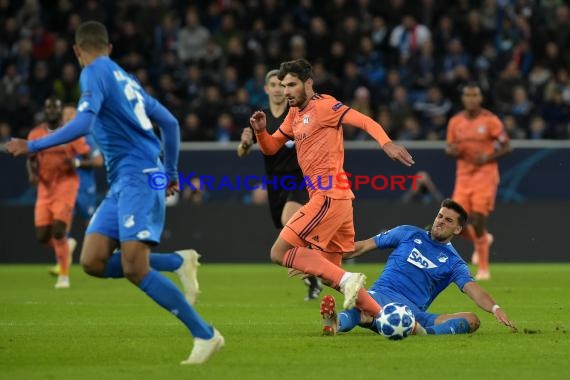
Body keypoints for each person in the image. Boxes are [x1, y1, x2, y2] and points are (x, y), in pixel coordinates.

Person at [5, 21, 223, 364]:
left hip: (138, 176)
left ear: (78, 51)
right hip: (126, 179)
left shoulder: (93, 73)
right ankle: (178, 262)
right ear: (109, 48)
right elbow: (170, 122)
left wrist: (33, 144)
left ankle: (204, 334)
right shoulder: (126, 79)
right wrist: (170, 172)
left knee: (136, 268)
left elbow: (82, 124)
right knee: (92, 260)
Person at [249, 58, 414, 318]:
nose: (286, 91)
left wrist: (387, 144)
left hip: (329, 194)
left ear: (308, 83)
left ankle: (348, 279)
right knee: (329, 275)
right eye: (283, 85)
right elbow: (271, 148)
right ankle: (386, 318)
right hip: (335, 198)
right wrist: (260, 131)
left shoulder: (326, 106)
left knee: (279, 252)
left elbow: (365, 121)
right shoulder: (295, 113)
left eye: (292, 85)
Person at [320, 199, 517, 336]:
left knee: (472, 320)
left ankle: (419, 331)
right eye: (440, 216)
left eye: (448, 220)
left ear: (457, 229)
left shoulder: (454, 262)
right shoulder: (407, 233)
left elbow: (473, 289)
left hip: (413, 313)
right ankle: (336, 323)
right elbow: (362, 246)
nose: (441, 221)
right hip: (379, 296)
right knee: (360, 305)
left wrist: (495, 308)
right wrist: (320, 258)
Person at [238, 69, 321, 301]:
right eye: (273, 85)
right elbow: (241, 153)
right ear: (266, 89)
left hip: (299, 177)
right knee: (286, 232)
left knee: (289, 221)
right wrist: (245, 144)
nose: (277, 89)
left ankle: (323, 252)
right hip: (275, 181)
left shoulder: (296, 112)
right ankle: (313, 277)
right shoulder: (260, 117)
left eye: (281, 85)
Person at [445, 83, 512, 280]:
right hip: (464, 176)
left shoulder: (490, 121)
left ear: (480, 98)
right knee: (455, 221)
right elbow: (448, 148)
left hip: (485, 174)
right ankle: (482, 240)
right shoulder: (455, 122)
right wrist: (453, 151)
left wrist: (488, 158)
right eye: (468, 95)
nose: (471, 99)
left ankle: (483, 269)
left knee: (478, 216)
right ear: (463, 98)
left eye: (475, 95)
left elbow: (507, 146)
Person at [27, 96, 91, 288]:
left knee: (58, 230)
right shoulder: (36, 133)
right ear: (45, 111)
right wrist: (32, 174)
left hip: (66, 185)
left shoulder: (72, 132)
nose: (52, 111)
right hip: (45, 188)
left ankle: (64, 276)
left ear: (61, 110)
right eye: (49, 108)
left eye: (56, 108)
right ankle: (66, 244)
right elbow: (30, 159)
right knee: (42, 237)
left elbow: (88, 156)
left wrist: (77, 162)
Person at [48, 104, 104, 277]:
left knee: (91, 223)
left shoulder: (85, 136)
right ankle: (62, 264)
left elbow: (99, 161)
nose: (69, 117)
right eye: (66, 114)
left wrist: (78, 163)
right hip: (65, 187)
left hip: (84, 186)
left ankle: (97, 254)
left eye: (72, 114)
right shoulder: (59, 137)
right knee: (63, 221)